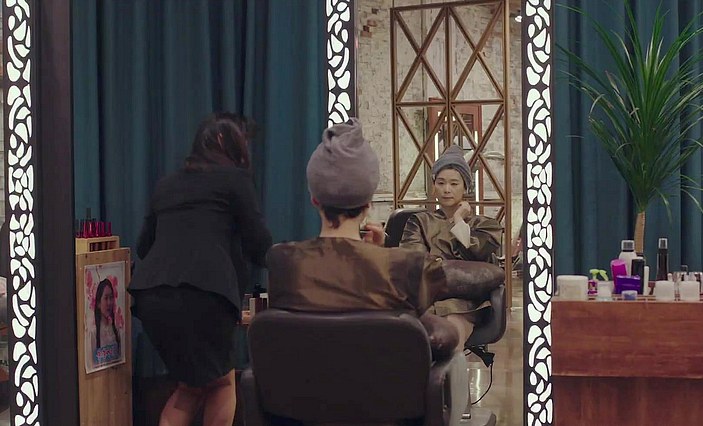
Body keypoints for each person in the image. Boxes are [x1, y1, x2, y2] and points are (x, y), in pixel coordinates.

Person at [267, 119, 501, 425]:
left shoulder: (282, 262)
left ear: (313, 199)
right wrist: (382, 256)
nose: (447, 189)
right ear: (368, 204)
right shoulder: (401, 266)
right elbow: (479, 285)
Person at [129, 112, 273, 426]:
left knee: (190, 387)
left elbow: (143, 247)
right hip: (205, 296)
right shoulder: (234, 179)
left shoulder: (167, 185)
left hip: (152, 298)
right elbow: (260, 245)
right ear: (223, 141)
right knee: (222, 383)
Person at [399, 145, 503, 351]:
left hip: (466, 302)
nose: (447, 189)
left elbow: (479, 255)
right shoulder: (419, 221)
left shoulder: (486, 225)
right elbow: (413, 261)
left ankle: (452, 371)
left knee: (451, 332)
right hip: (427, 299)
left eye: (454, 183)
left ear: (466, 188)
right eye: (441, 183)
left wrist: (458, 220)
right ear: (434, 187)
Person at [92, 278, 121, 365]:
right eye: (106, 298)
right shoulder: (93, 333)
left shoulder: (116, 330)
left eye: (111, 298)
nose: (109, 303)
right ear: (98, 303)